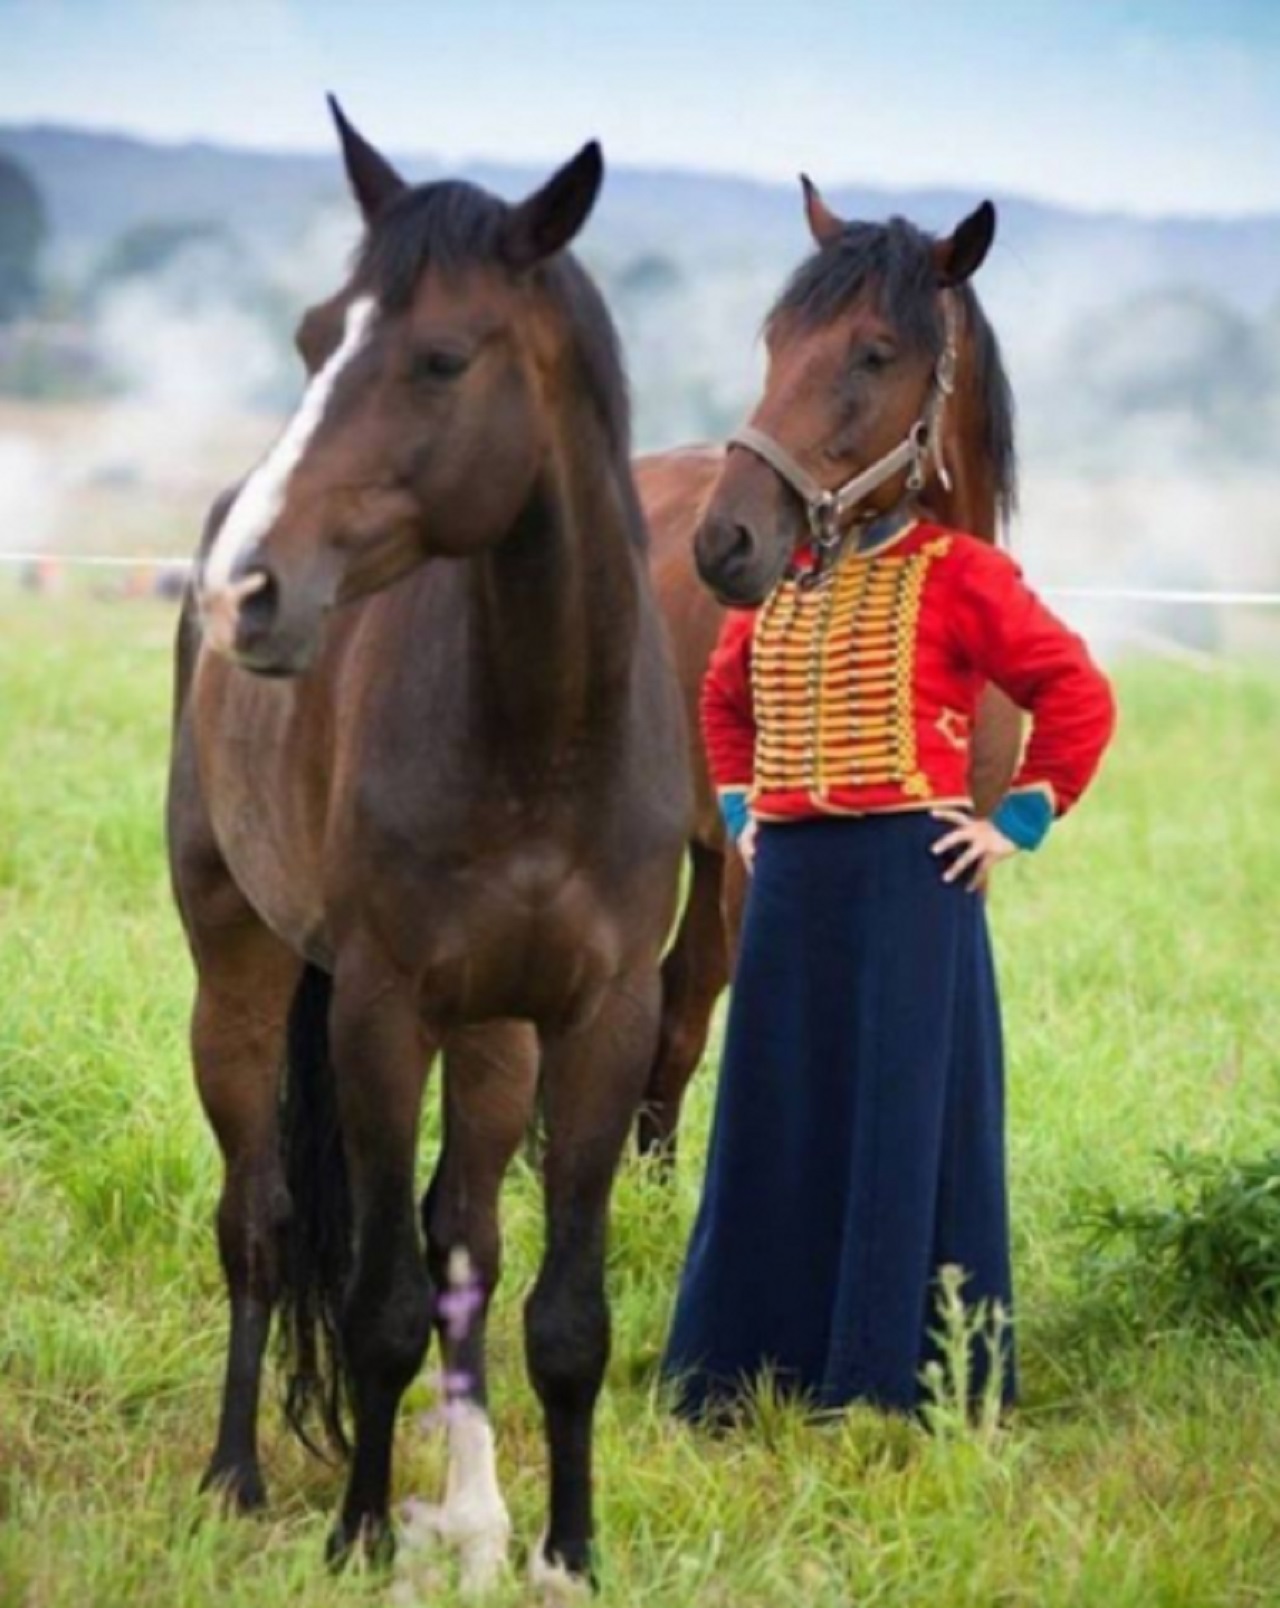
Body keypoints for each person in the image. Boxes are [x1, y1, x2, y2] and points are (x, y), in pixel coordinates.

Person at [661, 511, 1116, 1421]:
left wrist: (1017, 821)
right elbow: (723, 700)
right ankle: (744, 1370)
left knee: (902, 1118)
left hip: (913, 874)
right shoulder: (779, 575)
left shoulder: (963, 572)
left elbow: (1076, 690)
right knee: (776, 1108)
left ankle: (895, 1382)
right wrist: (746, 811)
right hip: (790, 881)